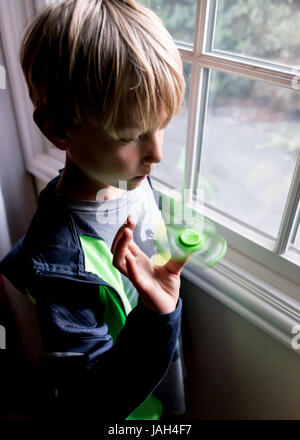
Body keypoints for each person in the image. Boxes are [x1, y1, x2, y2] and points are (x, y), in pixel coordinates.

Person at [0, 0, 189, 421]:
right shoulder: (59, 262)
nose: (156, 154)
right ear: (57, 129)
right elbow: (89, 400)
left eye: (160, 127)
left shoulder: (127, 178)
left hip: (160, 390)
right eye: (131, 135)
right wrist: (159, 316)